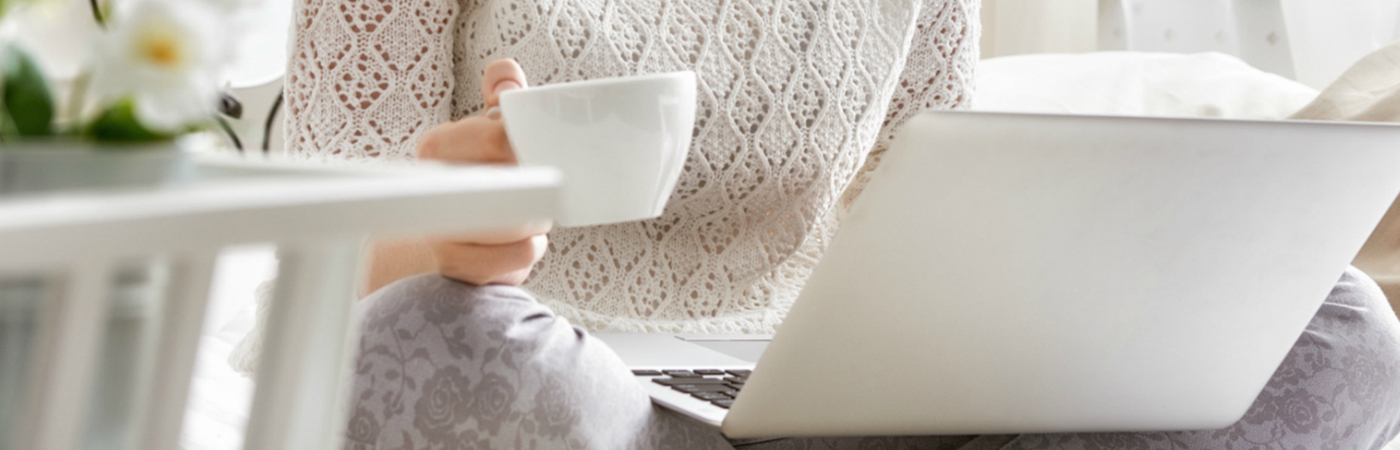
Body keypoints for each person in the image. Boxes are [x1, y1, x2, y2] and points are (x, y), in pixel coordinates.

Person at [277, 0, 1400, 448]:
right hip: (574, 395)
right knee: (432, 336)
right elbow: (321, 282)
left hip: (819, 390)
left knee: (1331, 321)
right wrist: (453, 232)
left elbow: (913, 213)